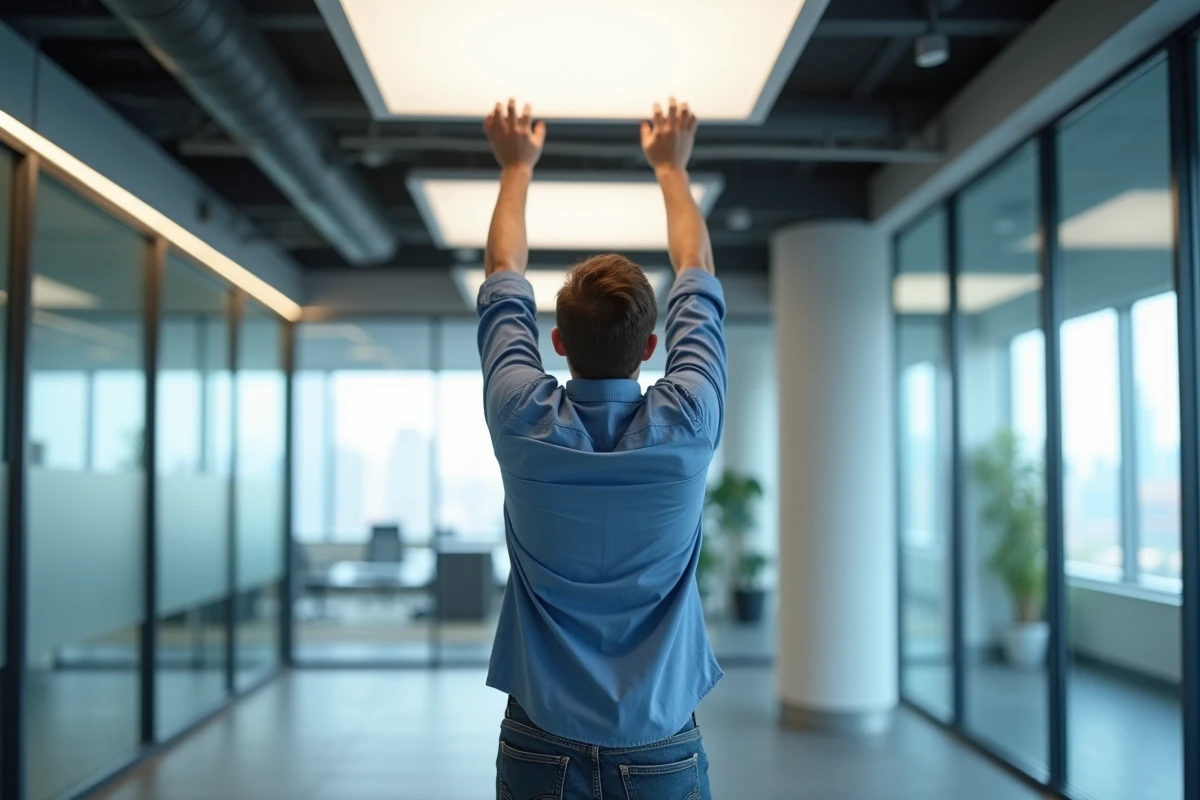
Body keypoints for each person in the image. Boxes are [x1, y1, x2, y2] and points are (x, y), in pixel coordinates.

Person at [477, 96, 727, 800]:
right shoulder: (691, 420)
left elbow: (502, 269)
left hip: (539, 737)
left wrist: (516, 165)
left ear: (558, 344)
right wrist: (671, 169)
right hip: (658, 739)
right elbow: (697, 268)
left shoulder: (521, 417)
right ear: (651, 349)